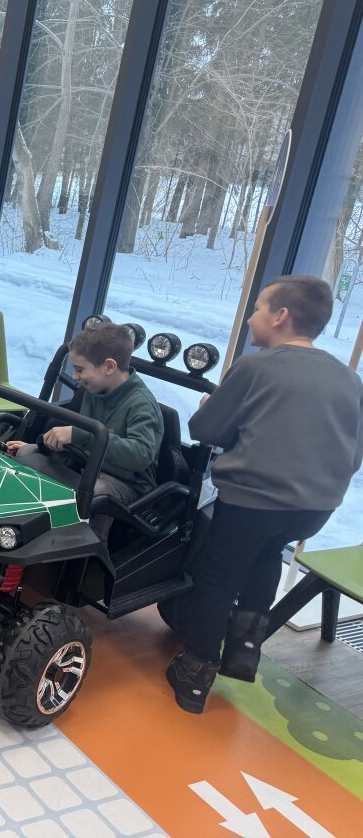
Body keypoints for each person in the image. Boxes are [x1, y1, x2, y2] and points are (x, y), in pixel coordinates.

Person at [165, 276, 363, 714]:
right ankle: (243, 653)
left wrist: (208, 407)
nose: (251, 318)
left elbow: (207, 430)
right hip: (315, 509)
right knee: (267, 555)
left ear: (280, 316)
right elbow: (354, 456)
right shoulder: (350, 380)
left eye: (257, 308)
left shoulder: (256, 367)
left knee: (216, 580)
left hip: (252, 501)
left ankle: (194, 679)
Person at [7, 322, 163, 539]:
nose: (75, 376)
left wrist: (80, 436)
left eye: (80, 369)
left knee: (94, 493)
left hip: (126, 482)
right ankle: (15, 529)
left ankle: (88, 550)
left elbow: (140, 455)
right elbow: (79, 437)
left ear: (109, 367)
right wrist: (41, 445)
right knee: (25, 454)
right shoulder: (94, 389)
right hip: (88, 464)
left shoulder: (142, 404)